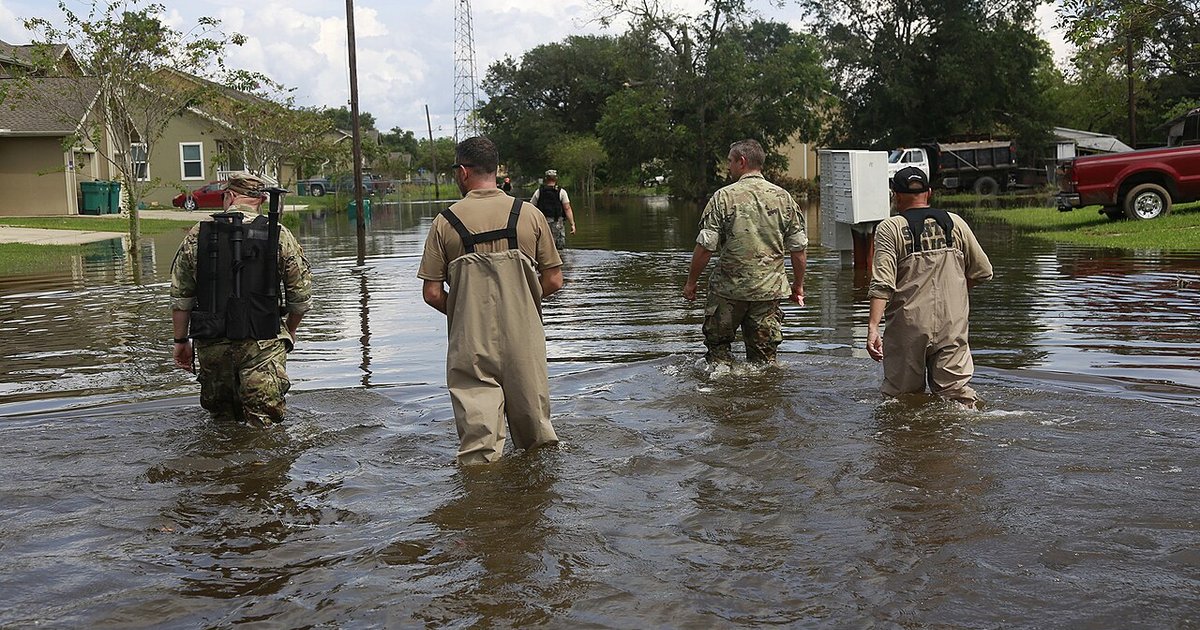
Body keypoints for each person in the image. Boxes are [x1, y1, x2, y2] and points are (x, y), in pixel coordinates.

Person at [418, 137, 564, 464]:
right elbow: (554, 280)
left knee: (478, 450)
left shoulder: (445, 222)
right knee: (538, 443)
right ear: (496, 171)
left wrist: (464, 311)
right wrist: (521, 301)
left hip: (471, 344)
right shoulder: (529, 215)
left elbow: (432, 293)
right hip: (524, 339)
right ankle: (537, 505)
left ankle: (480, 508)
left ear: (463, 172)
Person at [170, 172, 313, 426]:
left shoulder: (196, 235)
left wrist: (181, 341)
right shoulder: (278, 234)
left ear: (229, 196)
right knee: (264, 431)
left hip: (213, 346)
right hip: (263, 344)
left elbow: (182, 298)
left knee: (221, 426)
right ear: (261, 201)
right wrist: (289, 331)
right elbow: (300, 298)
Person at [866, 166, 993, 406]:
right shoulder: (954, 223)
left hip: (909, 325)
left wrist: (873, 328)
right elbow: (984, 271)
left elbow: (882, 283)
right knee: (957, 399)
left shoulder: (890, 228)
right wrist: (955, 291)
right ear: (930, 193)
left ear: (896, 195)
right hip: (952, 324)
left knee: (900, 401)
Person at [683, 139, 808, 365]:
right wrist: (798, 286)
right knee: (764, 362)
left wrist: (691, 283)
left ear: (742, 162)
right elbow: (798, 249)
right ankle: (764, 396)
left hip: (728, 291)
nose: (728, 166)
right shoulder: (784, 198)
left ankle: (721, 395)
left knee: (718, 355)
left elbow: (705, 247)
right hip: (768, 294)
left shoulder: (723, 197)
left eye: (730, 161)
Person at [530, 169, 576, 250]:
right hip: (558, 223)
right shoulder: (561, 192)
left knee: (544, 247)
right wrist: (572, 224)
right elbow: (567, 208)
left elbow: (531, 207)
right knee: (559, 248)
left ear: (545, 178)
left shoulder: (539, 192)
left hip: (542, 223)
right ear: (556, 178)